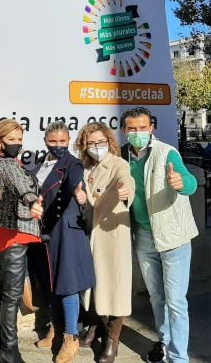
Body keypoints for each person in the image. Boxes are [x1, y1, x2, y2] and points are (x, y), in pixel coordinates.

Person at [120, 107, 198, 363]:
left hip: (173, 236)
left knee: (175, 301)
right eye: (132, 128)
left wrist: (181, 183)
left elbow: (190, 182)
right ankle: (164, 342)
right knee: (156, 296)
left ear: (151, 128)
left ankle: (179, 357)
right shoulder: (122, 157)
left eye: (143, 127)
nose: (138, 132)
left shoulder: (167, 153)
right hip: (144, 236)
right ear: (124, 130)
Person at [28, 121, 95, 363]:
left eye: (63, 142)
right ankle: (55, 328)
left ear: (69, 141)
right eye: (53, 141)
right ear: (46, 140)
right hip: (43, 235)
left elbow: (69, 187)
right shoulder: (38, 164)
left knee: (66, 286)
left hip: (65, 232)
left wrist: (77, 196)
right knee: (50, 284)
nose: (58, 146)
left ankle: (71, 337)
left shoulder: (73, 164)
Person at [74, 122, 135, 363]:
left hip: (112, 234)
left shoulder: (118, 164)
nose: (97, 147)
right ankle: (96, 326)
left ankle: (112, 340)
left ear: (109, 142)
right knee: (95, 285)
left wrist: (126, 191)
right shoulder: (86, 168)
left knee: (115, 288)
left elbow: (125, 179)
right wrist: (81, 199)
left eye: (101, 142)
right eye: (91, 143)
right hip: (91, 234)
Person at [0, 119, 44, 363]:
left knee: (7, 291)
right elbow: (21, 187)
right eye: (11, 140)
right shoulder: (6, 164)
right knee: (12, 293)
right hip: (12, 233)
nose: (17, 144)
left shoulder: (9, 163)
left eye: (19, 140)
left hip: (13, 232)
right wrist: (33, 201)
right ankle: (10, 351)